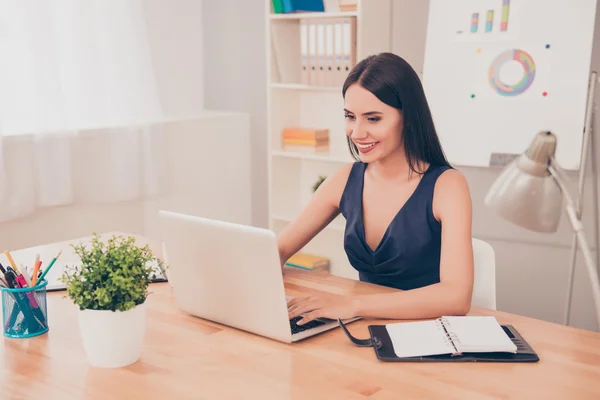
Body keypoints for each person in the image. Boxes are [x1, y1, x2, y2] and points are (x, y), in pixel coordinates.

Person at [278, 52, 474, 325]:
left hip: (427, 334)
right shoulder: (346, 178)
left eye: (372, 119)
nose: (357, 132)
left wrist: (353, 304)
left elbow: (456, 298)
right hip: (365, 328)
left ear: (408, 117)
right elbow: (279, 249)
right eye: (350, 116)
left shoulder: (448, 186)